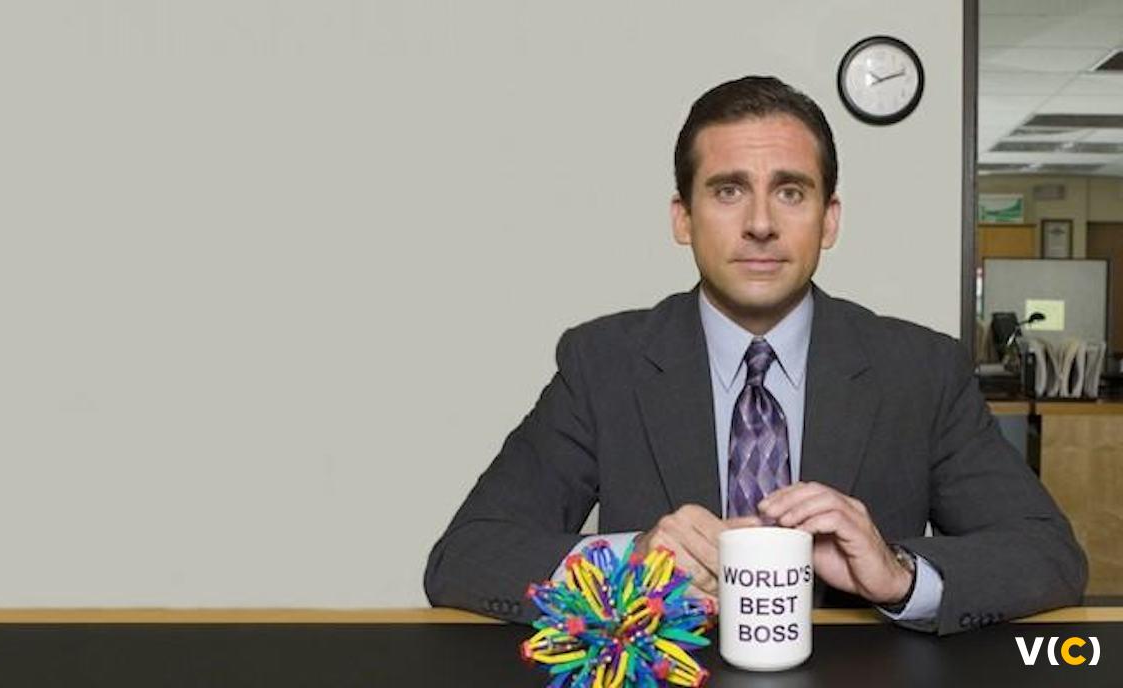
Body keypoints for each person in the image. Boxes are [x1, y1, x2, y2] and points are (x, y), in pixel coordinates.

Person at [423, 76, 1086, 635]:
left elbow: (1048, 554)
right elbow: (466, 556)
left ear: (829, 219)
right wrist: (628, 564)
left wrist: (898, 574)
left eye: (791, 192)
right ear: (683, 218)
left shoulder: (921, 370)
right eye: (728, 191)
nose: (761, 224)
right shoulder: (603, 364)